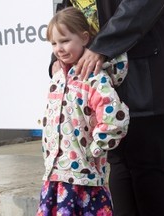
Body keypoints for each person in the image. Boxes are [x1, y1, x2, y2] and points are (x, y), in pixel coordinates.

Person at [52, 0, 164, 215]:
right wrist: (59, 56)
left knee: (150, 161)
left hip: (146, 71)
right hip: (102, 77)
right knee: (119, 163)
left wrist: (102, 46)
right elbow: (69, 11)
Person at [37, 6, 129, 216]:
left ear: (85, 38)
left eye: (65, 41)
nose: (59, 48)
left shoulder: (95, 79)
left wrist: (96, 148)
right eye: (54, 43)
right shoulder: (59, 78)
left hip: (84, 177)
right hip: (56, 174)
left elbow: (115, 118)